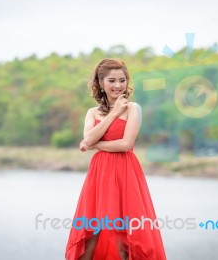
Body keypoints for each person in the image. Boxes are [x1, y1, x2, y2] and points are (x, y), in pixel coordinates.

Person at [65, 58, 166, 260]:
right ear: (101, 83)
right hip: (99, 174)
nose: (118, 85)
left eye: (122, 80)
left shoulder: (133, 108)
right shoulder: (92, 112)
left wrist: (93, 145)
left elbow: (125, 145)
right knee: (91, 231)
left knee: (124, 236)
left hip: (125, 172)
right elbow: (88, 137)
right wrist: (114, 113)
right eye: (112, 80)